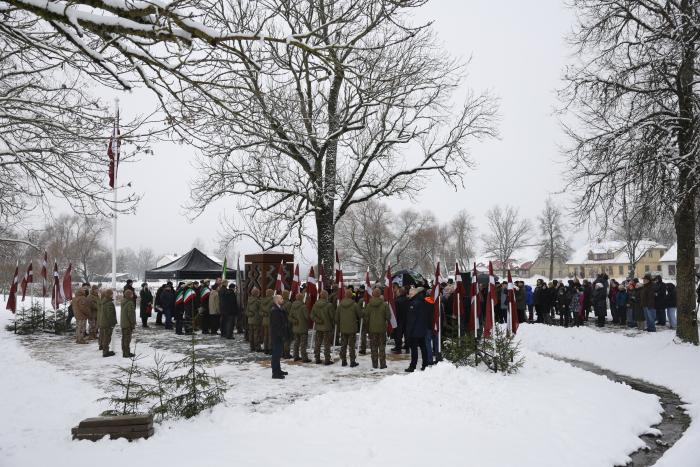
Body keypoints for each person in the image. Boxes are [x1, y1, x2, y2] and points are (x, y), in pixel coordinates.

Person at [336, 288, 361, 367]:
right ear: (351, 296)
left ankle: (343, 361)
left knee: (343, 345)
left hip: (343, 328)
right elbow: (360, 315)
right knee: (352, 346)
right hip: (352, 328)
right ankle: (352, 361)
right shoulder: (354, 305)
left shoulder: (340, 305)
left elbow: (336, 318)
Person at [405, 286, 429, 372]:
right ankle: (425, 364)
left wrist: (408, 331)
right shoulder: (423, 301)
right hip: (422, 329)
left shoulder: (413, 303)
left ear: (415, 294)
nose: (409, 295)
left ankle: (412, 366)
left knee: (414, 349)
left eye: (411, 294)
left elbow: (411, 319)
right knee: (423, 347)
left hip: (414, 330)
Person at [366, 288, 391, 369]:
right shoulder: (384, 305)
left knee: (373, 347)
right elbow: (388, 317)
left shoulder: (369, 305)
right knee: (381, 347)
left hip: (372, 329)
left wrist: (368, 326)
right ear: (380, 294)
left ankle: (375, 364)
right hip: (382, 328)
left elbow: (366, 317)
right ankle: (383, 364)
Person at [311, 290, 334, 365]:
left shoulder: (315, 305)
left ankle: (317, 358)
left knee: (318, 343)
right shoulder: (329, 305)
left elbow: (312, 315)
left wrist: (318, 321)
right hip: (327, 327)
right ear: (326, 296)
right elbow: (332, 316)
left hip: (318, 327)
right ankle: (327, 359)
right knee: (327, 344)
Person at [269, 294, 289, 379]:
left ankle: (278, 370)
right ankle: (275, 373)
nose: (283, 299)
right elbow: (276, 325)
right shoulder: (275, 310)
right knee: (276, 354)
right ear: (277, 300)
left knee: (278, 353)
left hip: (279, 334)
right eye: (281, 298)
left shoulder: (278, 309)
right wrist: (280, 335)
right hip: (277, 335)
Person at [289, 292, 311, 362]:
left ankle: (296, 356)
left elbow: (290, 317)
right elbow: (307, 317)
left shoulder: (292, 306)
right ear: (302, 298)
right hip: (303, 327)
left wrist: (294, 321)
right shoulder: (303, 306)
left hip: (295, 328)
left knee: (296, 343)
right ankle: (304, 357)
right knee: (303, 343)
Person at [98, 289, 117, 357]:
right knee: (107, 338)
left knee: (105, 337)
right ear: (109, 295)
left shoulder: (104, 301)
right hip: (107, 324)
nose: (113, 295)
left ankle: (106, 350)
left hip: (104, 322)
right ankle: (105, 352)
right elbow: (110, 315)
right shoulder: (109, 303)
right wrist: (112, 323)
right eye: (112, 294)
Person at [392, 285, 410, 354]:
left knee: (398, 335)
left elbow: (395, 311)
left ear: (400, 292)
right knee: (406, 334)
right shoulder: (409, 300)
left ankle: (398, 348)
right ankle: (407, 348)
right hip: (407, 319)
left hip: (399, 320)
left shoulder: (397, 301)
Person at [120, 289, 136, 357]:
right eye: (132, 294)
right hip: (128, 323)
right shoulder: (130, 303)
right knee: (127, 339)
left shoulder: (123, 301)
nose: (133, 295)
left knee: (124, 338)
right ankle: (126, 353)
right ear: (129, 295)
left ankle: (125, 352)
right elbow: (131, 314)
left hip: (124, 323)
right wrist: (133, 323)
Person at [260, 289, 274, 354]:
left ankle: (265, 348)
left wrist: (264, 314)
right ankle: (270, 348)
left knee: (265, 335)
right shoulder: (273, 301)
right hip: (271, 320)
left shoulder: (262, 300)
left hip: (264, 320)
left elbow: (260, 312)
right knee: (271, 335)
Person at [281, 290, 294, 359]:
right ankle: (286, 354)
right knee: (287, 339)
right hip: (287, 323)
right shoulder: (289, 304)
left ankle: (282, 353)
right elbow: (290, 313)